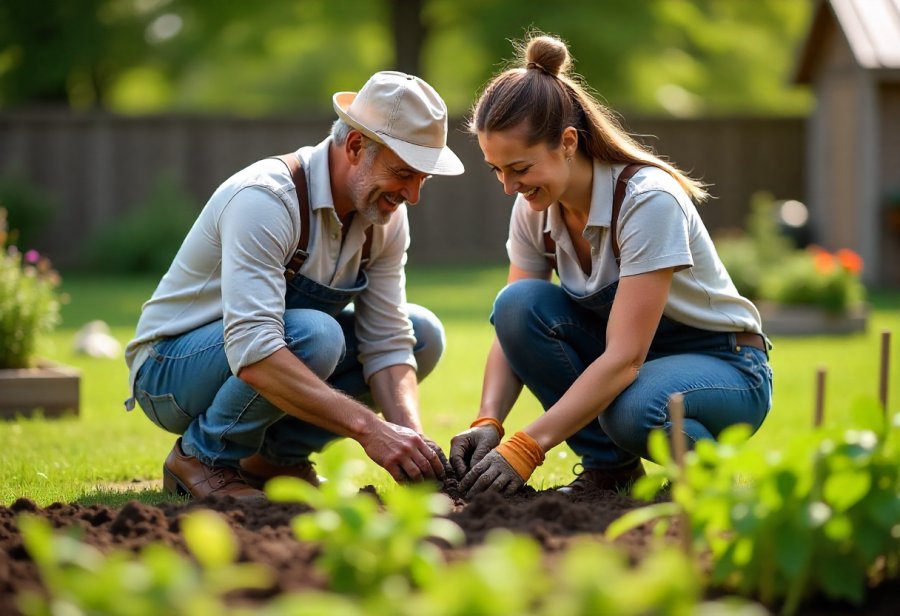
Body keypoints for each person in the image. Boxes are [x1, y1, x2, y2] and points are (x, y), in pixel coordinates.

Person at [449, 34, 773, 498]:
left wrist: (527, 447)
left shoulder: (647, 201)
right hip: (640, 365)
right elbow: (512, 328)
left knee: (636, 409)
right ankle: (611, 472)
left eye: (519, 168)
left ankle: (716, 484)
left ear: (567, 142)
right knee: (517, 304)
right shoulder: (534, 209)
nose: (508, 186)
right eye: (496, 170)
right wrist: (488, 421)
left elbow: (624, 359)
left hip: (725, 365)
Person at [125, 71, 465, 500]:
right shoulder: (266, 199)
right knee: (315, 335)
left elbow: (387, 341)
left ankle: (274, 461)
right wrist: (371, 430)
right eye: (403, 173)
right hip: (168, 372)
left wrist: (414, 451)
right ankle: (202, 458)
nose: (412, 195)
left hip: (266, 352)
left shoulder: (384, 217)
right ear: (355, 147)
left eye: (422, 178)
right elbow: (254, 349)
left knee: (423, 335)